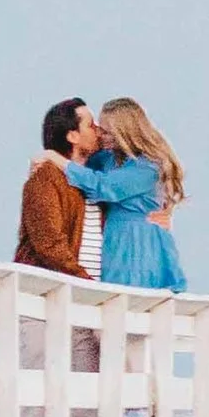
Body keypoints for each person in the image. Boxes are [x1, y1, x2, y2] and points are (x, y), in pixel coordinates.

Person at [50, 97, 188, 291]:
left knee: (131, 297)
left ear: (123, 134)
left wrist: (53, 158)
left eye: (106, 132)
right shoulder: (110, 159)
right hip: (116, 238)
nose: (101, 135)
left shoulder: (147, 167)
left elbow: (104, 186)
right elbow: (86, 162)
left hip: (139, 242)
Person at [17, 96, 98, 276]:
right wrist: (84, 280)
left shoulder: (98, 180)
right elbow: (49, 243)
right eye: (91, 126)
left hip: (94, 295)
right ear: (72, 136)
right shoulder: (46, 177)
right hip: (56, 293)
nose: (98, 131)